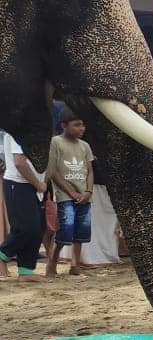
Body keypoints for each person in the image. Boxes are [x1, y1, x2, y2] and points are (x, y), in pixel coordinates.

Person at [44, 107, 95, 277]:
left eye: (83, 125)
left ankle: (75, 265)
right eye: (77, 125)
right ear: (64, 125)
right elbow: (53, 172)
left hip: (84, 196)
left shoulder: (85, 145)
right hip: (65, 196)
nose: (81, 128)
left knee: (81, 231)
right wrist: (72, 193)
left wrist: (88, 191)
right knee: (66, 229)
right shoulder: (55, 142)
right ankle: (52, 261)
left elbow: (90, 170)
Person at [0, 132, 48, 281]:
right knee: (25, 227)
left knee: (38, 228)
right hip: (18, 183)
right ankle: (3, 254)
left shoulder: (39, 131)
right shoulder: (17, 132)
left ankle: (26, 271)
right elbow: (19, 162)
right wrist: (38, 183)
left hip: (36, 184)